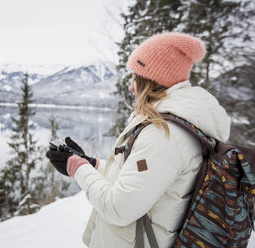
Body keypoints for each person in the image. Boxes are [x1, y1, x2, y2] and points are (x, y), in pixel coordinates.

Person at [46, 32, 231, 248]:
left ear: (152, 81)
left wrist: (78, 168)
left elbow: (118, 209)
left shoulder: (164, 134)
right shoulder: (173, 126)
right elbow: (138, 180)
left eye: (135, 77)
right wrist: (92, 164)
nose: (130, 86)